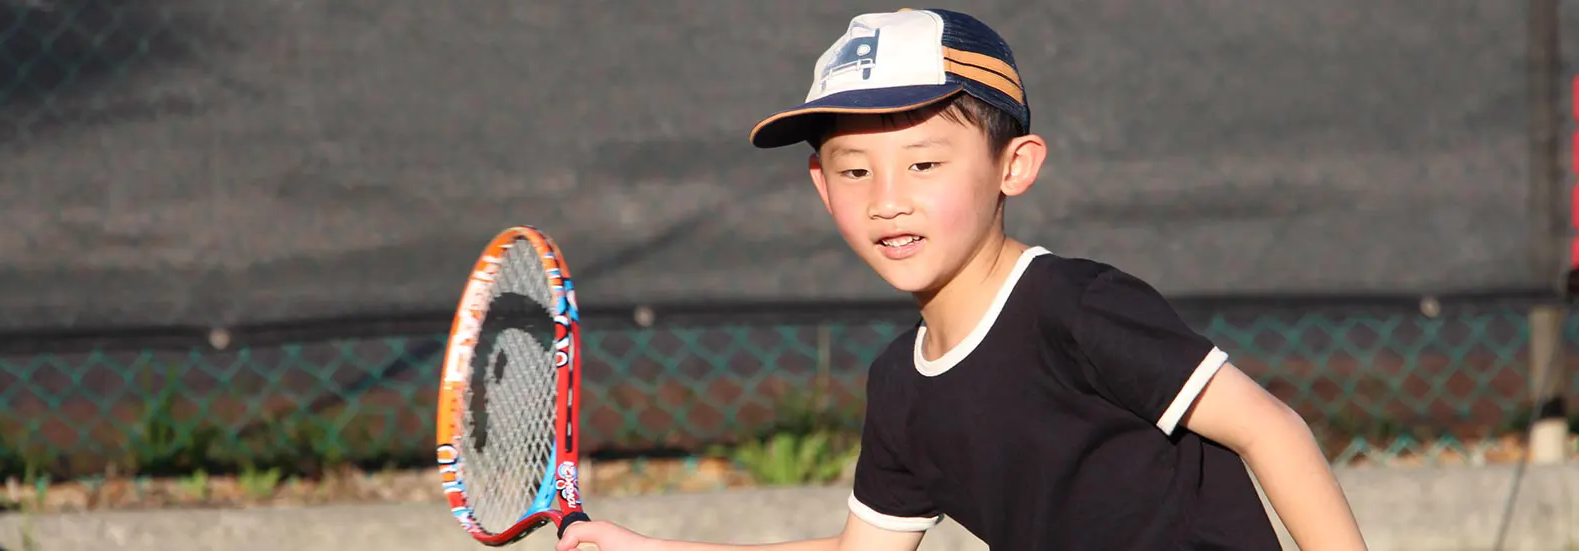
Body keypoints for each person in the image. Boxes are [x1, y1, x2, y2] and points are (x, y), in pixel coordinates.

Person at [559, 8, 1367, 551]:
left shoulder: (1078, 308)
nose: (888, 199)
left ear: (1015, 167)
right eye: (854, 170)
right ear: (819, 186)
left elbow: (1271, 430)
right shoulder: (900, 389)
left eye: (924, 162)